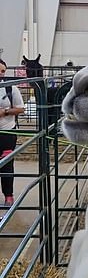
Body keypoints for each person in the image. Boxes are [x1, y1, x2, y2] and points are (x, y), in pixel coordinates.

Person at [0, 59, 25, 206]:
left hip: (7, 133)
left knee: (7, 164)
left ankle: (8, 196)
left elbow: (21, 108)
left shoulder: (11, 89)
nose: (1, 74)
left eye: (3, 71)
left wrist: (5, 111)